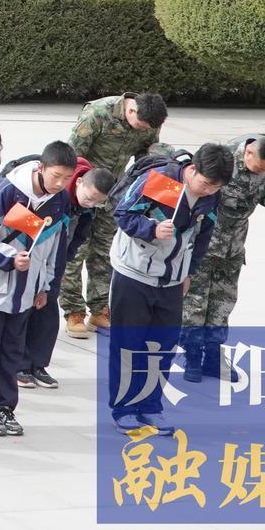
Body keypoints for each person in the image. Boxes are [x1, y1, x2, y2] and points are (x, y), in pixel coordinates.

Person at [106, 142, 232, 432]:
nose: (209, 190)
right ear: (193, 170)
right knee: (129, 346)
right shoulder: (164, 182)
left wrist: (189, 272)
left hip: (172, 280)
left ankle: (151, 407)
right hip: (134, 274)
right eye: (206, 183)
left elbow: (203, 236)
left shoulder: (210, 197)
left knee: (162, 347)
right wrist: (151, 229)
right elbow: (123, 214)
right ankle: (124, 408)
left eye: (216, 186)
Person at [0, 140, 77, 437]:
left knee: (12, 353)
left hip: (27, 292)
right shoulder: (9, 190)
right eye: (56, 176)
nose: (61, 183)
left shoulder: (60, 200)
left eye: (67, 178)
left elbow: (56, 246)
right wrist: (9, 258)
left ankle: (5, 407)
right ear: (41, 168)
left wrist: (47, 287)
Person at [180, 135, 265, 381]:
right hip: (203, 244)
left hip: (232, 248)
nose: (262, 172)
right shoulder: (222, 158)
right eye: (260, 167)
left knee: (223, 303)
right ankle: (191, 358)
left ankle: (212, 358)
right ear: (249, 152)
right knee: (195, 304)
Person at [62, 92, 166, 337]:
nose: (144, 130)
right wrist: (76, 196)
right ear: (131, 111)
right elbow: (72, 156)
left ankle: (99, 309)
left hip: (114, 191)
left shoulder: (149, 122)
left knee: (104, 249)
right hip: (85, 189)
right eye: (141, 125)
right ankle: (73, 310)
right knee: (77, 249)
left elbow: (145, 157)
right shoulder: (98, 114)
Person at [20, 157, 113, 390]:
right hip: (28, 258)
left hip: (55, 260)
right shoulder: (56, 191)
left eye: (98, 203)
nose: (91, 204)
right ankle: (19, 366)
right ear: (79, 181)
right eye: (89, 198)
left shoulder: (88, 204)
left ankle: (38, 365)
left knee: (47, 313)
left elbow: (81, 232)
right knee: (23, 311)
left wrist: (65, 256)